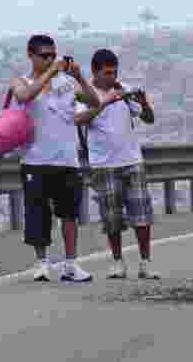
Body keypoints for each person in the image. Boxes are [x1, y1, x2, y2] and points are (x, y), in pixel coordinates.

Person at [10, 35, 102, 282]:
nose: (50, 59)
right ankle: (42, 263)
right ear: (31, 55)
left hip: (67, 159)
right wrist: (50, 72)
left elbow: (94, 101)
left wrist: (79, 76)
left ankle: (70, 264)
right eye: (44, 55)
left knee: (69, 214)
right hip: (35, 159)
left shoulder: (67, 83)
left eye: (53, 55)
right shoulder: (22, 80)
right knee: (37, 213)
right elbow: (24, 96)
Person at [74, 49, 160, 279]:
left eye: (115, 72)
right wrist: (104, 102)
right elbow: (79, 120)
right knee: (112, 217)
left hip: (132, 159)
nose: (112, 77)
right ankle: (117, 261)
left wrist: (144, 103)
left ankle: (145, 261)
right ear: (95, 71)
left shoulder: (123, 89)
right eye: (107, 73)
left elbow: (148, 119)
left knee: (142, 213)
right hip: (103, 163)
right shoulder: (85, 93)